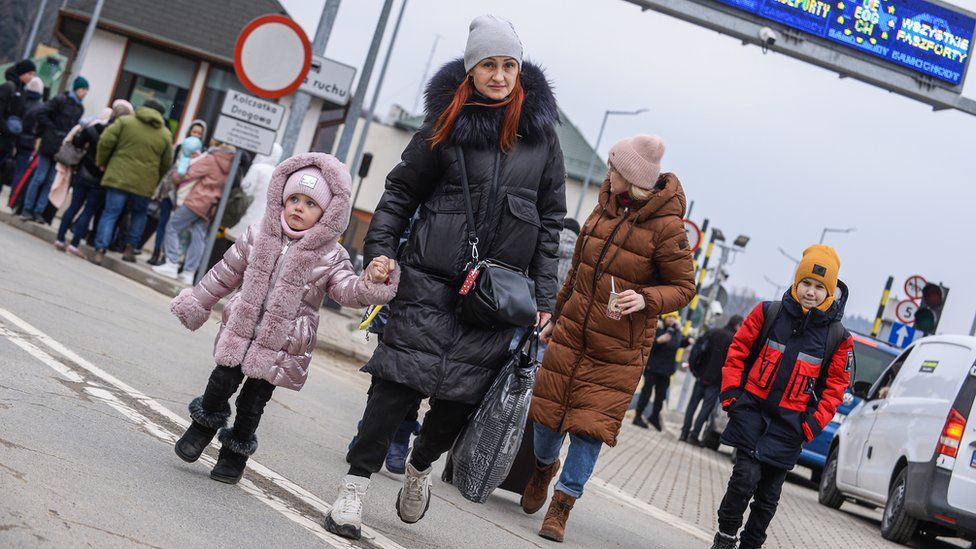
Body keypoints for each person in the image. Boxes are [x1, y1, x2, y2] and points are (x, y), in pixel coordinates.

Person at [324, 15, 566, 541]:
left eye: (508, 65)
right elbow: (399, 193)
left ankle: (419, 470)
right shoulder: (446, 124)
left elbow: (551, 224)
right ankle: (354, 488)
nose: (499, 75)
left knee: (458, 401)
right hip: (428, 280)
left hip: (497, 298)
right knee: (393, 388)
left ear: (519, 70)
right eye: (488, 65)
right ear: (471, 69)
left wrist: (544, 295)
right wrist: (381, 250)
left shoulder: (544, 139)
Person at [168, 152, 399, 484]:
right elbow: (225, 273)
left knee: (252, 403)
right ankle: (202, 425)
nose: (298, 208)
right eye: (293, 199)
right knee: (220, 383)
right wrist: (198, 303)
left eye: (309, 203)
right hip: (241, 331)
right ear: (281, 198)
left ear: (327, 213)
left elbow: (347, 291)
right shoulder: (257, 234)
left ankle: (234, 454)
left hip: (281, 344)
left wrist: (372, 283)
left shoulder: (330, 254)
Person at [525, 134, 696, 543]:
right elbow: (576, 275)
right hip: (570, 334)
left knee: (589, 430)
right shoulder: (601, 210)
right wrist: (555, 316)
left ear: (633, 177)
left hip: (618, 350)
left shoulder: (667, 228)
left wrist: (646, 297)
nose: (607, 172)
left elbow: (684, 287)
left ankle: (562, 506)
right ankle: (544, 467)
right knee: (546, 421)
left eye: (614, 167)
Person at [711, 245, 853, 549]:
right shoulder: (767, 312)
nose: (810, 292)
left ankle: (752, 544)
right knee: (743, 480)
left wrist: (810, 425)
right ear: (796, 283)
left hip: (790, 426)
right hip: (751, 412)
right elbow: (738, 352)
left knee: (767, 498)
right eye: (806, 283)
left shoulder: (838, 338)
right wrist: (732, 397)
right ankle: (724, 538)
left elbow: (835, 387)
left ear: (829, 292)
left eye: (818, 287)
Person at [91, 99, 173, 265]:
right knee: (139, 214)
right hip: (144, 182)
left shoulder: (125, 122)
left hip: (118, 175)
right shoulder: (165, 134)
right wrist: (155, 178)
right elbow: (167, 163)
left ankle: (100, 249)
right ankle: (130, 249)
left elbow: (106, 142)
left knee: (111, 213)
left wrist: (102, 161)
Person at [53, 101, 134, 257]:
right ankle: (74, 244)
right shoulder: (121, 137)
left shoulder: (94, 127)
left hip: (83, 171)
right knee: (88, 211)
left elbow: (77, 142)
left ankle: (60, 239)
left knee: (74, 206)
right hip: (101, 177)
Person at [152, 141, 236, 284]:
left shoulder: (212, 158)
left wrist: (176, 177)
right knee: (198, 235)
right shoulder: (233, 165)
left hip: (197, 200)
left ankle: (171, 263)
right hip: (212, 205)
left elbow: (189, 174)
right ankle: (189, 273)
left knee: (173, 226)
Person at [20, 75, 87, 222]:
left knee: (51, 181)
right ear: (77, 89)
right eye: (83, 89)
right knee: (40, 177)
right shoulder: (60, 100)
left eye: (86, 90)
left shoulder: (79, 108)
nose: (85, 93)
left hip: (62, 149)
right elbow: (42, 113)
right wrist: (52, 130)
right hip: (49, 143)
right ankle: (27, 208)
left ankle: (39, 211)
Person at [148, 120, 210, 265]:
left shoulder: (203, 153)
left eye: (199, 134)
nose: (195, 135)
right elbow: (171, 168)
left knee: (176, 227)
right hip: (170, 190)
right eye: (193, 132)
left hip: (186, 194)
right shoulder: (181, 147)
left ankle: (167, 256)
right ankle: (156, 252)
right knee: (163, 222)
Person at [680, 315, 743, 444]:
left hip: (701, 375)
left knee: (692, 405)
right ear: (737, 325)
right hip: (717, 381)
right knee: (706, 409)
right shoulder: (734, 341)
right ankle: (694, 436)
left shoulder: (713, 332)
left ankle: (684, 433)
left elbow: (697, 349)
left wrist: (694, 368)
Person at [632, 311, 689, 431]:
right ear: (665, 318)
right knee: (646, 393)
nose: (671, 319)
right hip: (653, 367)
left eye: (674, 317)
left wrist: (687, 341)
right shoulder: (658, 327)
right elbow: (647, 344)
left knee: (661, 396)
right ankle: (638, 416)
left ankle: (654, 416)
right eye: (669, 317)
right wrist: (658, 341)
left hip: (666, 370)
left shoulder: (676, 331)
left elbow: (676, 344)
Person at [225, 142, 283, 242]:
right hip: (261, 225)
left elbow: (245, 191)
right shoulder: (278, 174)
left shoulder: (257, 168)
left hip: (244, 220)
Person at [0, 59, 36, 193]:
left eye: (33, 74)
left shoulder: (22, 91)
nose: (32, 77)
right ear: (21, 72)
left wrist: (13, 143)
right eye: (30, 73)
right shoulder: (8, 87)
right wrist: (7, 130)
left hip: (8, 141)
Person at [9, 76, 44, 193]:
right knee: (20, 171)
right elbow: (40, 126)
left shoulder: (20, 100)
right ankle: (13, 197)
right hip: (28, 142)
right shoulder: (41, 107)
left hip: (13, 138)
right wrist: (36, 136)